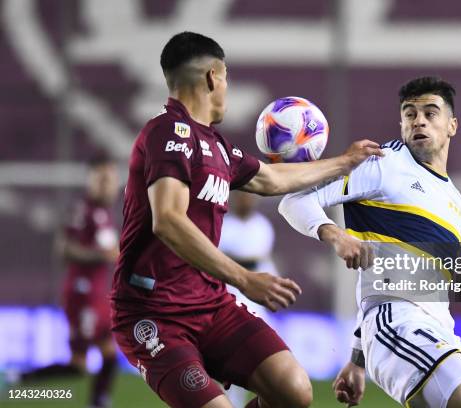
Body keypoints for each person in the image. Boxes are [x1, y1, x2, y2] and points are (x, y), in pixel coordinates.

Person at [110, 31, 382, 408]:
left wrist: (345, 161)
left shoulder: (216, 145)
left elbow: (269, 179)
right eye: (226, 78)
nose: (226, 87)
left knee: (293, 390)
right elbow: (168, 221)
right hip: (155, 313)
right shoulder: (167, 132)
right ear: (212, 77)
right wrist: (245, 279)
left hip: (210, 304)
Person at [278, 77, 461, 408]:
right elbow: (293, 201)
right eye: (410, 113)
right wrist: (335, 234)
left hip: (440, 333)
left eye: (430, 112)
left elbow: (391, 275)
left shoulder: (457, 205)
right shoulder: (384, 163)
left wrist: (357, 359)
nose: (419, 120)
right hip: (396, 324)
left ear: (452, 125)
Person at [21, 153, 120, 408]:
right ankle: (18, 381)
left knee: (110, 355)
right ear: (91, 181)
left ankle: (98, 402)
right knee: (79, 365)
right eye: (102, 179)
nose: (108, 184)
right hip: (82, 294)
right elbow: (65, 250)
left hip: (98, 296)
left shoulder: (104, 214)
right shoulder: (82, 210)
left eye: (111, 179)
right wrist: (101, 255)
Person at [219, 190, 279, 406]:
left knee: (264, 357)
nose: (245, 200)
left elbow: (260, 260)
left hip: (256, 300)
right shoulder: (223, 225)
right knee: (228, 358)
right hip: (226, 296)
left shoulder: (262, 225)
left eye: (249, 197)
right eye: (241, 196)